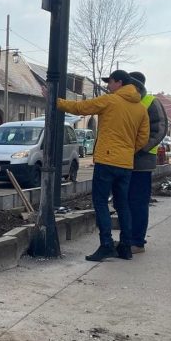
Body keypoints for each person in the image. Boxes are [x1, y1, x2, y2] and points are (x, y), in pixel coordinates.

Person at [57, 70, 150, 262]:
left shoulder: (110, 100)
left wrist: (56, 101)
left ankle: (106, 244)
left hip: (106, 162)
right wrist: (127, 150)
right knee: (122, 204)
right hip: (125, 164)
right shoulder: (140, 108)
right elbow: (143, 138)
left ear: (120, 82)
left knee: (100, 202)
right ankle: (125, 246)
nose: (108, 85)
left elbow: (81, 108)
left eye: (111, 82)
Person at [126, 72, 167, 254]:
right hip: (124, 160)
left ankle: (137, 241)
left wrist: (140, 147)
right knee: (125, 201)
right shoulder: (125, 101)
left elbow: (159, 130)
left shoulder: (151, 102)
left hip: (142, 162)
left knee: (138, 202)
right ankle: (129, 239)